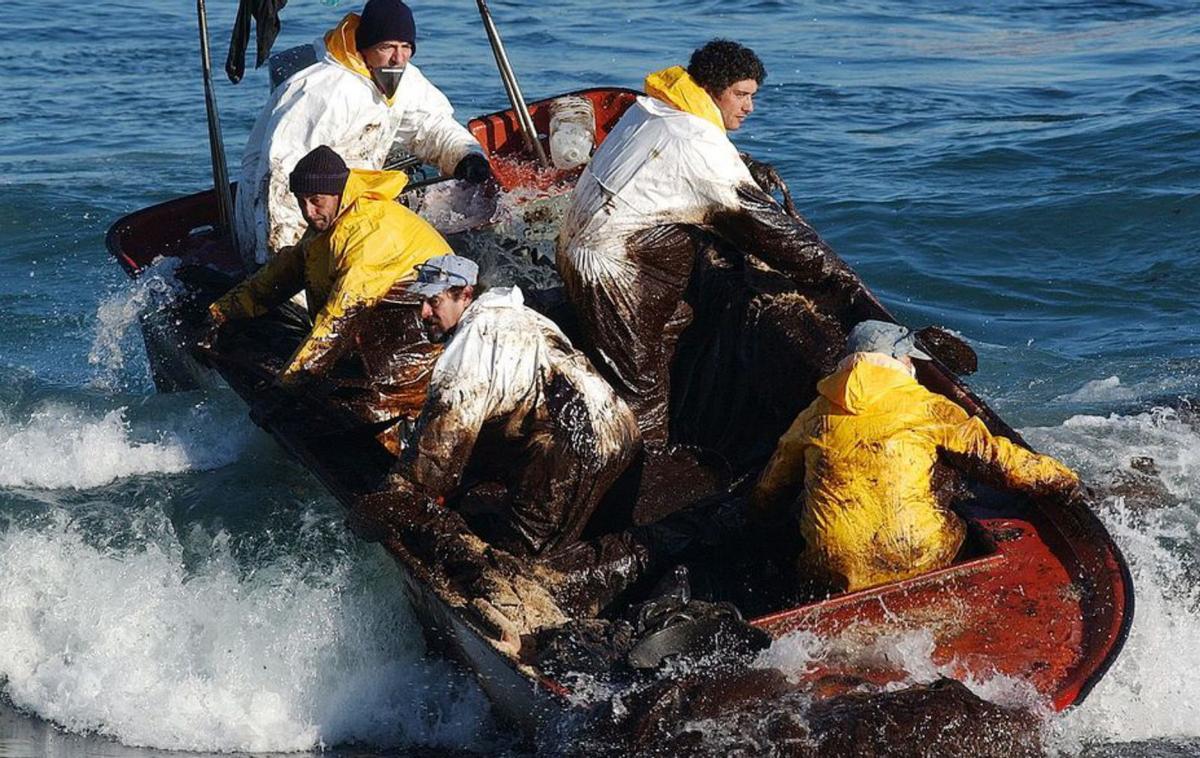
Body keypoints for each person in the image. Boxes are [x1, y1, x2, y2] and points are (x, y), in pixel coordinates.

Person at [556, 39, 854, 444]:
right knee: (639, 389)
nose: (749, 107)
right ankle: (642, 468)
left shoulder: (652, 109)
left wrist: (742, 164)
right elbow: (768, 228)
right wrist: (834, 273)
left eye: (752, 96)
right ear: (713, 90)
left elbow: (676, 162)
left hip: (580, 244)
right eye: (741, 95)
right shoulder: (697, 143)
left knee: (671, 324)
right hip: (611, 270)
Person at [749, 320, 1081, 593]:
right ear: (898, 361)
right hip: (920, 555)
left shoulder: (813, 415)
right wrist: (1062, 479)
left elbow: (768, 492)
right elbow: (997, 461)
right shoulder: (926, 406)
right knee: (959, 522)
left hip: (834, 573)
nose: (913, 366)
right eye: (910, 359)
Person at [391, 256, 641, 557]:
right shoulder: (521, 315)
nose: (424, 312)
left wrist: (399, 499)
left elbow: (444, 436)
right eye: (421, 301)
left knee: (517, 557)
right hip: (622, 432)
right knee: (583, 540)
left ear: (466, 294)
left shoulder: (475, 338)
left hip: (571, 444)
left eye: (434, 301)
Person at [234, 0, 492, 267]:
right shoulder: (324, 91)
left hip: (349, 208)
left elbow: (430, 124)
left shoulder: (402, 78)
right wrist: (283, 267)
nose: (398, 58)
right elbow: (279, 181)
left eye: (406, 48)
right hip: (284, 221)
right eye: (387, 47)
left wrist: (464, 155)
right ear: (364, 46)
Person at [208, 145, 452, 387]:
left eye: (316, 201)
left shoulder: (368, 232)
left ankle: (401, 393)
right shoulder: (329, 225)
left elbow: (342, 315)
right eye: (301, 202)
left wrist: (289, 382)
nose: (309, 213)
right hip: (373, 326)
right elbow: (281, 275)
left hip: (425, 331)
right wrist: (219, 313)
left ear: (339, 193)